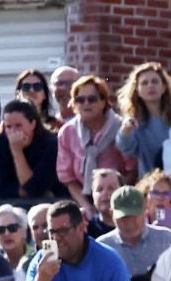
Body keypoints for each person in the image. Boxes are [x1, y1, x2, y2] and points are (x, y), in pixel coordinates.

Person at [57, 75, 134, 212]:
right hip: (83, 201)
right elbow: (68, 177)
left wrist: (112, 198)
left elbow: (132, 169)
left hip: (118, 200)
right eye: (80, 100)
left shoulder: (120, 127)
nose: (86, 104)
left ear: (103, 101)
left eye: (92, 99)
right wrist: (86, 206)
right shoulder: (67, 132)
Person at [97, 185, 171, 281]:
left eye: (135, 215)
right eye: (123, 217)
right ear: (111, 214)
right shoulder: (102, 247)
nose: (130, 222)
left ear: (146, 210)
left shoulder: (166, 239)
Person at [0, 97, 63, 201]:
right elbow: (1, 188)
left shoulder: (51, 144)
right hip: (13, 204)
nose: (13, 132)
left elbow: (35, 188)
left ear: (32, 124)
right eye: (8, 127)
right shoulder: (0, 144)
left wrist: (17, 151)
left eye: (18, 125)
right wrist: (26, 193)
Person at [115, 61, 171, 175]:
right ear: (137, 90)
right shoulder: (135, 122)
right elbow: (126, 149)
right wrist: (125, 132)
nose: (150, 86)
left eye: (155, 81)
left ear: (164, 87)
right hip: (149, 183)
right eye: (144, 83)